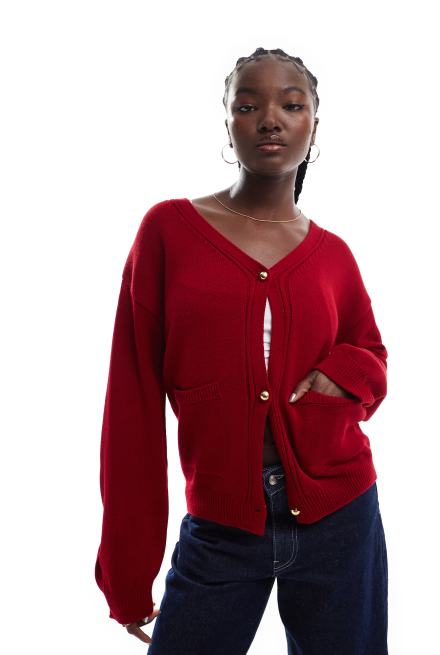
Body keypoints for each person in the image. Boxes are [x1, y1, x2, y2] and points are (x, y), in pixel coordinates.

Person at [95, 47, 389, 654]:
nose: (270, 119)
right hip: (222, 526)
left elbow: (372, 355)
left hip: (341, 516)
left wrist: (341, 375)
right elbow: (131, 406)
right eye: (249, 106)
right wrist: (128, 572)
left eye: (292, 105)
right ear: (228, 123)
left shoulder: (333, 255)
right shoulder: (169, 231)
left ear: (314, 126)